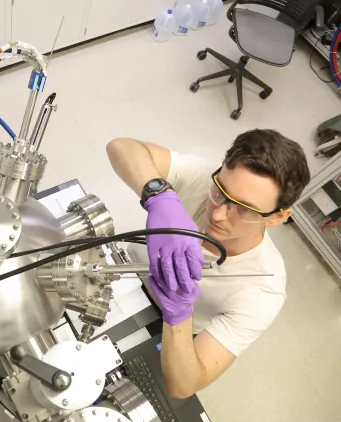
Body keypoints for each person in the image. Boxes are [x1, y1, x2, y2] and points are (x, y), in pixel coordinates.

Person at [106, 129, 310, 398]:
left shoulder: (263, 289)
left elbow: (184, 386)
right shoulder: (205, 180)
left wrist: (178, 314)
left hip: (166, 325)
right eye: (221, 191)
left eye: (245, 209)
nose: (219, 213)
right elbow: (120, 146)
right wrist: (159, 195)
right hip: (124, 268)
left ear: (277, 217)